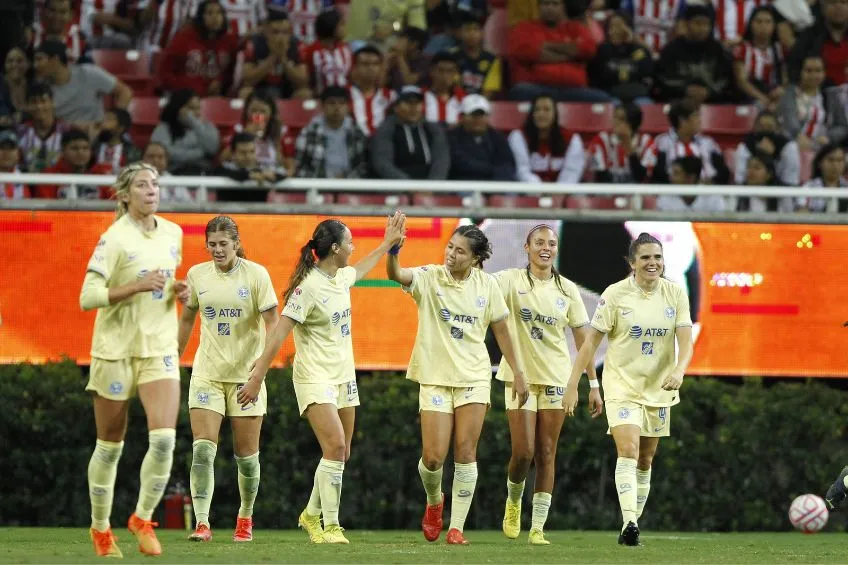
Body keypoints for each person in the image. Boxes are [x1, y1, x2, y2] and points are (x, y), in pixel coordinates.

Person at [244, 213, 407, 544]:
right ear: (335, 248)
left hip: (343, 376)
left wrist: (387, 245)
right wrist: (258, 375)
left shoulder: (340, 277)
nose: (353, 247)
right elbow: (278, 334)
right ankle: (331, 526)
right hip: (314, 377)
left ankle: (310, 514)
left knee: (341, 453)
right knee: (334, 446)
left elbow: (360, 269)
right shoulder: (307, 288)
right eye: (349, 242)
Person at [386, 224, 530, 545]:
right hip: (435, 377)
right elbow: (396, 274)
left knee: (466, 451)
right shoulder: (430, 276)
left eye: (460, 251)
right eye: (450, 246)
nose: (451, 254)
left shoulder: (487, 286)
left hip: (474, 377)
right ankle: (434, 501)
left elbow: (502, 331)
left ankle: (457, 528)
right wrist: (393, 250)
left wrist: (518, 372)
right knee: (433, 458)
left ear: (476, 258)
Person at [79, 161, 191, 558]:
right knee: (110, 445)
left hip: (158, 346)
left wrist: (177, 290)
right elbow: (87, 297)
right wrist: (135, 286)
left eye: (155, 184)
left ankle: (142, 519)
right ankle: (100, 528)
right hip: (115, 350)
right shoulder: (114, 239)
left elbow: (162, 284)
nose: (151, 190)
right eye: (142, 185)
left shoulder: (173, 233)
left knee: (164, 441)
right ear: (125, 195)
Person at [563, 232, 694, 547]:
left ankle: (630, 524)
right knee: (629, 451)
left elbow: (686, 341)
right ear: (632, 263)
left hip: (658, 387)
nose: (653, 263)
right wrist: (574, 384)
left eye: (657, 257)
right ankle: (630, 522)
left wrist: (679, 371)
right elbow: (590, 343)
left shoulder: (675, 294)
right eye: (645, 257)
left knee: (645, 460)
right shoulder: (616, 294)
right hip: (621, 385)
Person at [495, 224, 602, 545]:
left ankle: (538, 528)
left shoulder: (567, 289)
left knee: (546, 452)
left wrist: (592, 384)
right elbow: (479, 290)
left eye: (551, 243)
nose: (546, 248)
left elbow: (584, 340)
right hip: (520, 378)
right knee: (523, 452)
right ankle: (514, 501)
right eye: (539, 242)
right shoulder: (510, 280)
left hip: (556, 378)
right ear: (526, 248)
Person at [177, 216, 280, 543]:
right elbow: (187, 320)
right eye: (212, 244)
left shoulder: (256, 275)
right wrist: (172, 360)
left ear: (236, 243)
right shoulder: (197, 275)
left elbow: (274, 325)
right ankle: (202, 524)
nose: (218, 249)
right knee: (202, 450)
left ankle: (245, 518)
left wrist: (258, 374)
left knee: (247, 458)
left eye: (224, 243)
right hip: (207, 374)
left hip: (245, 379)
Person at [509, 94, 586, 184]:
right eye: (537, 109)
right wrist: (541, 189)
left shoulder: (572, 139)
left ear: (555, 113)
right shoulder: (518, 136)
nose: (541, 114)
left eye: (547, 110)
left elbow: (572, 172)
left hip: (563, 191)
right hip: (529, 190)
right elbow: (522, 171)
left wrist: (558, 191)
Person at [150, 89, 221, 175]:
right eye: (191, 108)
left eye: (198, 108)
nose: (197, 113)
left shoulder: (207, 126)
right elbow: (166, 154)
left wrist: (194, 123)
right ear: (178, 108)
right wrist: (202, 153)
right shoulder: (164, 128)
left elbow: (212, 149)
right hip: (172, 174)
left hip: (203, 173)